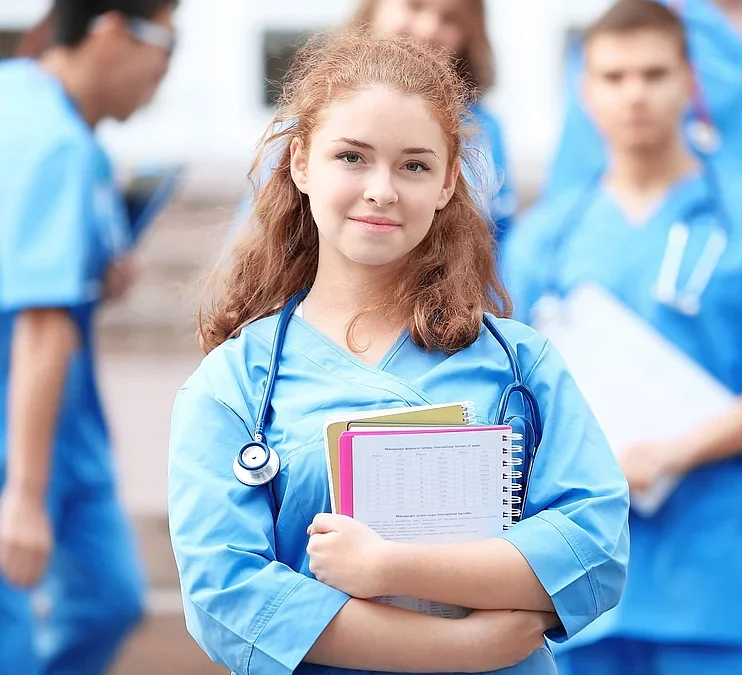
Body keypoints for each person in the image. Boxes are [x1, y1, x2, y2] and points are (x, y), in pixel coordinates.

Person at [168, 28, 629, 675]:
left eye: (414, 164)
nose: (382, 189)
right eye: (352, 157)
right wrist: (463, 649)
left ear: (446, 183)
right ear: (301, 162)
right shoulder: (232, 385)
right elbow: (226, 594)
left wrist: (389, 565)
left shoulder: (522, 366)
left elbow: (594, 549)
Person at [502, 2, 742, 672]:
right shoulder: (543, 240)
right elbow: (508, 396)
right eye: (613, 77)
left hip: (720, 584)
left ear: (690, 81)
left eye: (653, 73)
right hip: (579, 593)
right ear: (585, 91)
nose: (634, 93)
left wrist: (676, 449)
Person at [0, 1, 176, 673]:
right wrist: (23, 494)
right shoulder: (51, 143)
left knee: (110, 596)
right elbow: (41, 320)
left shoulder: (71, 133)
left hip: (66, 423)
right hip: (20, 429)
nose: (164, 70)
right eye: (167, 43)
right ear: (110, 32)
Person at [234, 0, 516, 245]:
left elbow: (500, 239)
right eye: (414, 5)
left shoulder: (483, 132)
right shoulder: (312, 114)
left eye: (449, 18)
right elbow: (257, 234)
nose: (429, 28)